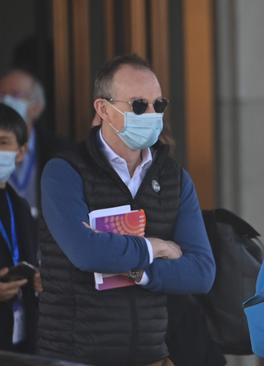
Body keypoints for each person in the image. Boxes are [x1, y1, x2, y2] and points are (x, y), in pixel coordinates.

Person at [38, 54, 216, 366]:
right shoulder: (64, 171)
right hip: (75, 356)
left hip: (152, 355)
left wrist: (138, 271)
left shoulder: (172, 176)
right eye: (137, 105)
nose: (150, 114)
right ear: (103, 109)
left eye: (158, 104)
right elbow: (86, 253)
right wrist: (156, 247)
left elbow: (201, 273)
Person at [0, 69, 70, 217]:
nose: (5, 100)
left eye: (15, 94)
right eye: (1, 95)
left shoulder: (62, 150)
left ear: (36, 107)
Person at [0, 104, 42, 353]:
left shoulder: (20, 206)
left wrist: (37, 281)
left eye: (3, 142)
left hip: (21, 345)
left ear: (21, 152)